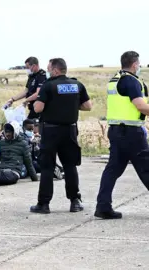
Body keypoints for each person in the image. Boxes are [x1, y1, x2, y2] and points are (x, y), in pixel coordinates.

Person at [30, 58, 92, 214]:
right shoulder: (76, 85)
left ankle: (43, 204)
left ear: (56, 70)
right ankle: (75, 201)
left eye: (49, 68)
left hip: (51, 131)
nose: (48, 71)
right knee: (70, 166)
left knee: (47, 167)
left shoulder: (48, 85)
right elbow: (87, 106)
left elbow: (38, 108)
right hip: (70, 131)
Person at [95, 51, 149, 219]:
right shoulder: (131, 81)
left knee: (113, 169)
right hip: (132, 133)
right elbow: (140, 106)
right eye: (138, 64)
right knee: (146, 168)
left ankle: (103, 207)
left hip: (116, 131)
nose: (139, 67)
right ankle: (103, 207)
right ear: (134, 64)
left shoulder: (115, 80)